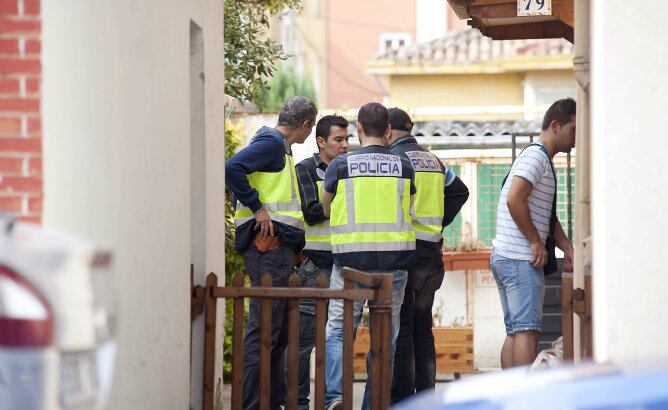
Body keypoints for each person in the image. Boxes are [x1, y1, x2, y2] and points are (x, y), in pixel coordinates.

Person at [321, 102, 415, 410]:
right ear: (388, 130)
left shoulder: (340, 166)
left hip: (350, 263)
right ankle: (375, 403)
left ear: (359, 129)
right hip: (395, 264)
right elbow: (408, 208)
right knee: (385, 337)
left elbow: (325, 208)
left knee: (338, 330)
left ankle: (336, 398)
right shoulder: (404, 165)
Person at [225, 96, 317, 410]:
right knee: (263, 329)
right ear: (305, 125)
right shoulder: (272, 144)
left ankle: (270, 401)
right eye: (311, 128)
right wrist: (258, 207)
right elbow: (232, 168)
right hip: (267, 246)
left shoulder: (279, 147)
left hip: (277, 248)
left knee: (273, 332)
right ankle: (253, 404)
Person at [385, 108, 469, 402]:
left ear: (388, 131)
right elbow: (461, 191)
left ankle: (405, 401)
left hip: (407, 252)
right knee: (423, 328)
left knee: (404, 329)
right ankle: (428, 398)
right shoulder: (434, 160)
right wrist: (438, 221)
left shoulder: (395, 160)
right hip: (432, 255)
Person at [490, 97, 576, 368]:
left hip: (508, 256)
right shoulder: (536, 157)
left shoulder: (540, 159)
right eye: (573, 130)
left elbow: (548, 218)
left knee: (517, 330)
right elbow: (515, 199)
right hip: (520, 258)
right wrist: (535, 243)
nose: (577, 138)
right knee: (527, 330)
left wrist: (569, 248)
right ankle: (521, 399)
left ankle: (510, 396)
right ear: (555, 125)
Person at [294, 115, 350, 410]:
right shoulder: (304, 169)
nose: (345, 145)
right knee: (303, 344)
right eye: (338, 139)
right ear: (321, 142)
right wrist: (340, 199)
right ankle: (300, 404)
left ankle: (333, 401)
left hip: (344, 264)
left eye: (347, 139)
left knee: (338, 341)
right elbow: (311, 212)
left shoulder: (351, 168)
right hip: (315, 266)